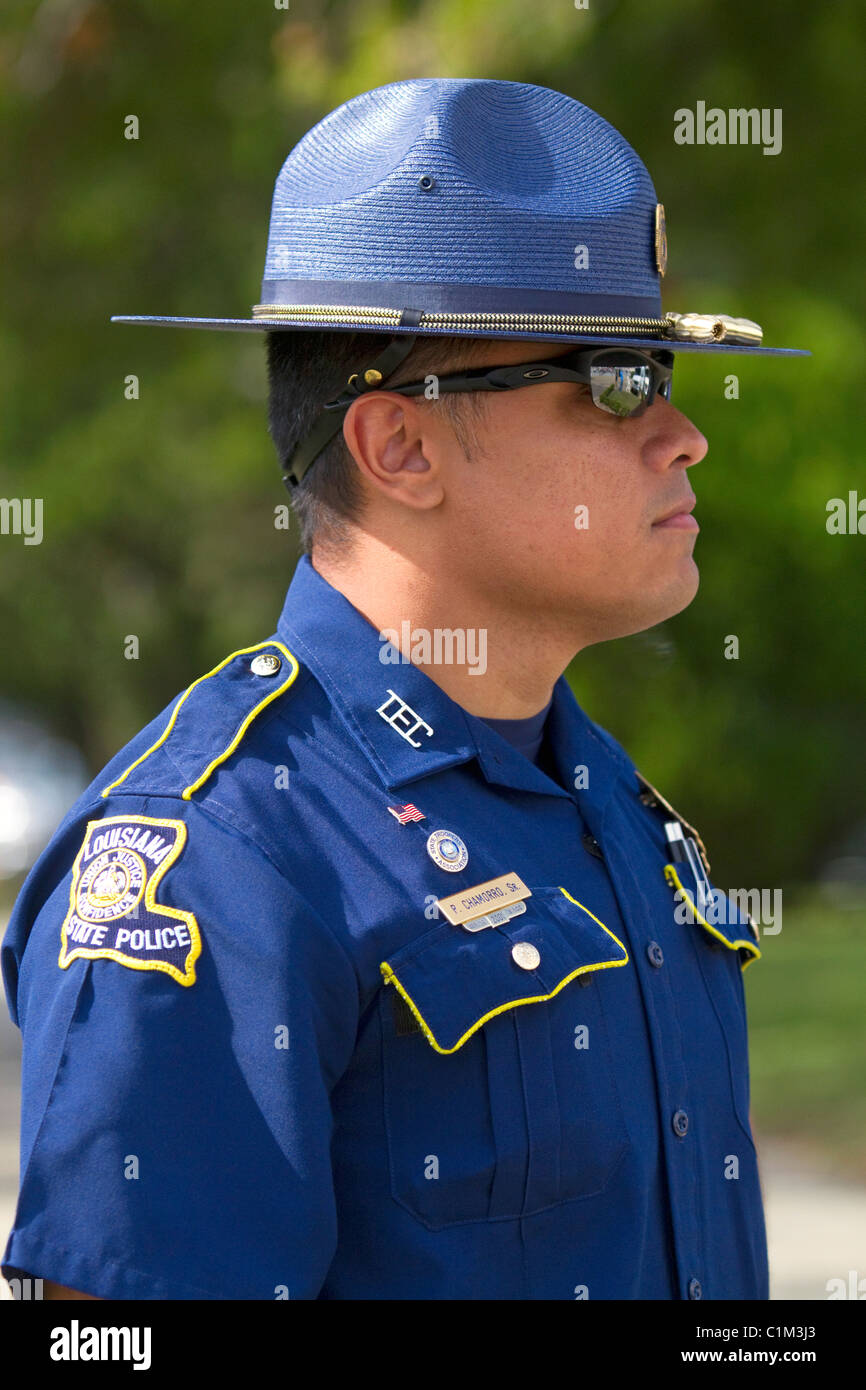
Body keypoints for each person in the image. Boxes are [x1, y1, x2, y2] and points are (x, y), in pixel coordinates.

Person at [1, 77, 807, 1301]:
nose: (681, 434)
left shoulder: (601, 801)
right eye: (616, 381)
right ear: (402, 447)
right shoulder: (222, 854)